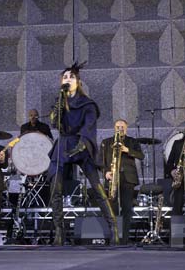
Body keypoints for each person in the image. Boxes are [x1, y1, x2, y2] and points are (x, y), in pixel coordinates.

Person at [48, 61, 119, 245]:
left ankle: (113, 227)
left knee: (96, 187)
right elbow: (55, 124)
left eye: (71, 77)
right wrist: (58, 106)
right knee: (55, 187)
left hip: (82, 143)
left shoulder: (87, 104)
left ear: (78, 82)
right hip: (63, 143)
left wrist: (82, 144)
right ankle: (59, 231)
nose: (68, 79)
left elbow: (89, 126)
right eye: (65, 77)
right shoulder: (60, 102)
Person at [100, 119, 144, 245]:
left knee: (126, 209)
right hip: (112, 177)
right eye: (118, 126)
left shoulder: (132, 141)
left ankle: (124, 238)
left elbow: (141, 156)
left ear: (126, 128)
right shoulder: (106, 142)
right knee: (111, 209)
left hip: (127, 179)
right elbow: (100, 161)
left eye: (122, 127)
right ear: (114, 128)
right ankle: (113, 237)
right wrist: (105, 173)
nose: (120, 129)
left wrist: (127, 150)